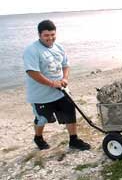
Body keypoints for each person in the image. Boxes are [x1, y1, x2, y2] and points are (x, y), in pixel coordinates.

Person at [24, 20, 91, 151]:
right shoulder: (31, 50)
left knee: (70, 113)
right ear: (39, 35)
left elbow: (66, 65)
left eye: (52, 34)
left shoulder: (59, 47)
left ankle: (74, 140)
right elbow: (32, 72)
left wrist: (65, 78)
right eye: (46, 35)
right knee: (42, 119)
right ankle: (38, 137)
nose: (50, 38)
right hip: (41, 95)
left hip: (61, 91)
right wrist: (51, 83)